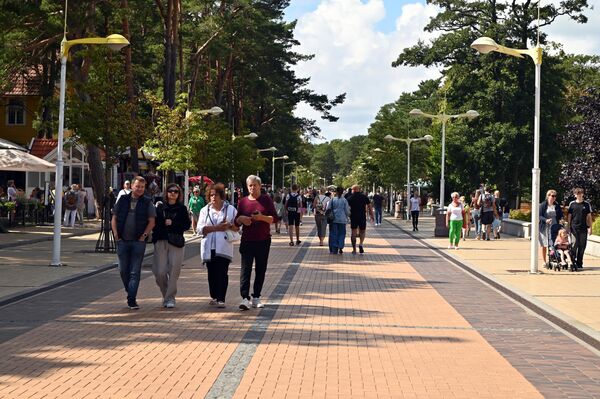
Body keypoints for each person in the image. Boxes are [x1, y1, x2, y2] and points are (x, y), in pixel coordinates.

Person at [111, 176, 156, 310]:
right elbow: (114, 218)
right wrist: (115, 234)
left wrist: (144, 235)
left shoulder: (148, 202)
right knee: (123, 270)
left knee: (135, 271)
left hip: (138, 242)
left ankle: (132, 299)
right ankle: (130, 291)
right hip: (122, 241)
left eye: (142, 187)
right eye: (138, 186)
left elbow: (152, 221)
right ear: (131, 186)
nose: (140, 189)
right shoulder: (123, 200)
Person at [235, 175, 277, 311]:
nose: (252, 188)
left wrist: (261, 217)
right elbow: (236, 221)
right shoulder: (242, 202)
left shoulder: (266, 200)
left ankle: (256, 296)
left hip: (263, 240)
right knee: (245, 270)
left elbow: (274, 218)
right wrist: (241, 219)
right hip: (247, 240)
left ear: (260, 186)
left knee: (261, 269)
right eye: (250, 185)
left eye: (255, 185)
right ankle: (244, 298)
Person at [199, 183, 238, 308]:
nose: (213, 197)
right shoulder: (205, 210)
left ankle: (221, 298)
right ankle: (214, 296)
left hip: (224, 246)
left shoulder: (230, 209)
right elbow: (200, 229)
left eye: (215, 195)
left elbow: (238, 228)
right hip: (209, 247)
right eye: (211, 195)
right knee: (211, 273)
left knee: (222, 272)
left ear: (221, 196)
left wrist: (230, 226)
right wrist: (216, 228)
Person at [152, 183, 191, 308]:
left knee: (174, 271)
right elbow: (154, 224)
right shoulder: (160, 208)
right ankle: (166, 294)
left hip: (176, 242)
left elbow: (186, 225)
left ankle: (170, 298)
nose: (173, 193)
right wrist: (162, 224)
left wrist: (173, 223)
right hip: (161, 241)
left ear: (179, 194)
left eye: (175, 191)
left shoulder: (182, 209)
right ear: (166, 193)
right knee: (160, 272)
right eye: (170, 191)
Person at [568, 187, 593, 270]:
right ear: (575, 195)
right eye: (577, 193)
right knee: (574, 245)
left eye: (581, 193)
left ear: (583, 194)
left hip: (583, 228)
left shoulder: (586, 204)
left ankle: (579, 263)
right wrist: (568, 227)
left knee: (582, 246)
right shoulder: (572, 204)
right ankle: (572, 261)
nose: (579, 195)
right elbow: (569, 216)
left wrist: (590, 228)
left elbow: (589, 217)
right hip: (574, 228)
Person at [539, 189, 564, 268]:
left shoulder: (556, 205)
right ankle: (544, 261)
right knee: (544, 244)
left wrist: (562, 220)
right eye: (552, 196)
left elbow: (560, 215)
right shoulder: (543, 205)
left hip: (554, 227)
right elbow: (539, 216)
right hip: (544, 227)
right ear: (548, 196)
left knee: (553, 244)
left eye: (555, 196)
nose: (554, 198)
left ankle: (553, 259)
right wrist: (546, 220)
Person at [347, 185, 374, 254]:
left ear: (353, 190)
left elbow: (347, 208)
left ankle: (354, 249)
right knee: (362, 231)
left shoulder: (350, 198)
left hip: (353, 217)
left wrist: (347, 215)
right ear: (358, 189)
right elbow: (369, 206)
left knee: (353, 232)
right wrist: (372, 215)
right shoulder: (364, 197)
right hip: (362, 216)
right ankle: (361, 244)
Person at [327, 186, 350, 254]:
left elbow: (328, 209)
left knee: (334, 234)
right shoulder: (344, 200)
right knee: (342, 234)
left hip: (334, 219)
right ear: (342, 192)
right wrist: (349, 216)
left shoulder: (333, 200)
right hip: (342, 220)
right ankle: (340, 246)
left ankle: (334, 248)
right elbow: (347, 211)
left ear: (336, 192)